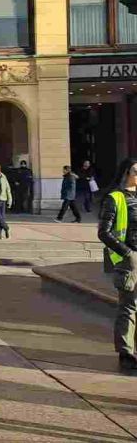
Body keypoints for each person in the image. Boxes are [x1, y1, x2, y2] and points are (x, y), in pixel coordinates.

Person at [99, 159, 137, 372]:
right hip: (130, 260)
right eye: (136, 171)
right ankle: (126, 354)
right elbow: (104, 232)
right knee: (129, 306)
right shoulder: (116, 198)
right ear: (126, 173)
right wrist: (127, 253)